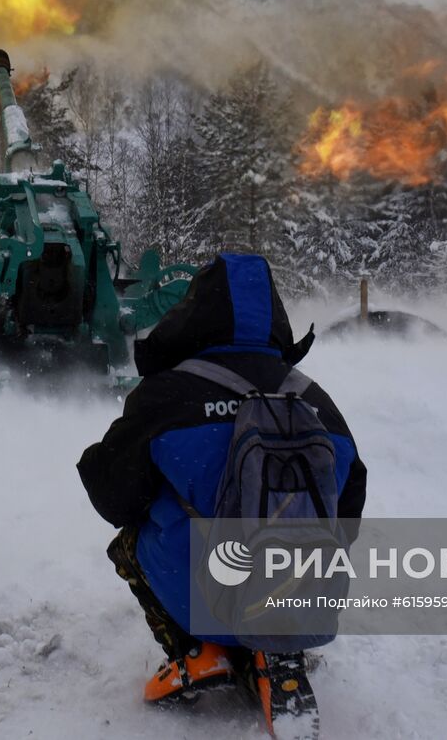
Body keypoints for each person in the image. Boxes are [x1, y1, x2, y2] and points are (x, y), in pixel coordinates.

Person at [77, 252, 367, 710]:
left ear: (195, 315)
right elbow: (348, 513)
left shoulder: (167, 393)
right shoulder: (315, 399)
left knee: (129, 543)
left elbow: (115, 499)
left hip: (201, 595)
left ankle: (198, 652)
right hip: (301, 601)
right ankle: (276, 654)